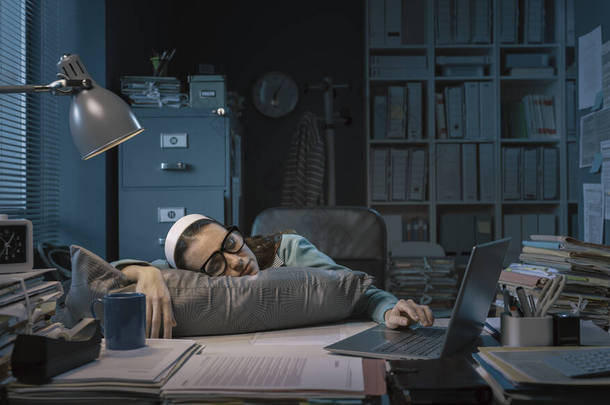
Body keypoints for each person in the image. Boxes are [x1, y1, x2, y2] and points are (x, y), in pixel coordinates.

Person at [113, 214, 434, 338]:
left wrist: (389, 310)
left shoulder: (288, 249)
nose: (236, 261)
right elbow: (114, 269)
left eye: (230, 243)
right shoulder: (186, 276)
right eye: (214, 265)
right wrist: (147, 272)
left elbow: (352, 288)